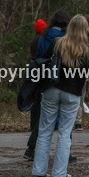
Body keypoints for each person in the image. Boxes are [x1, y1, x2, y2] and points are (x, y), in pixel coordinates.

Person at [32, 15, 89, 177]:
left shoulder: (57, 43)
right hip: (72, 93)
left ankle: (39, 170)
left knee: (44, 131)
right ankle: (59, 172)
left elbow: (43, 60)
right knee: (65, 134)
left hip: (52, 88)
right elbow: (86, 74)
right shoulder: (87, 51)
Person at [26, 11, 70, 160]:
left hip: (43, 80)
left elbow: (38, 57)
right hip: (62, 80)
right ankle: (66, 152)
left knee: (44, 119)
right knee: (65, 118)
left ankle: (31, 149)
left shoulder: (42, 37)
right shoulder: (66, 38)